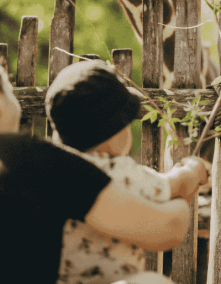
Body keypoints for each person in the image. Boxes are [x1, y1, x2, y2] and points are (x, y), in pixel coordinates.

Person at [0, 63, 208, 284]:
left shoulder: (43, 165)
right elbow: (169, 221)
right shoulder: (108, 171)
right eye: (9, 89)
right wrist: (191, 174)